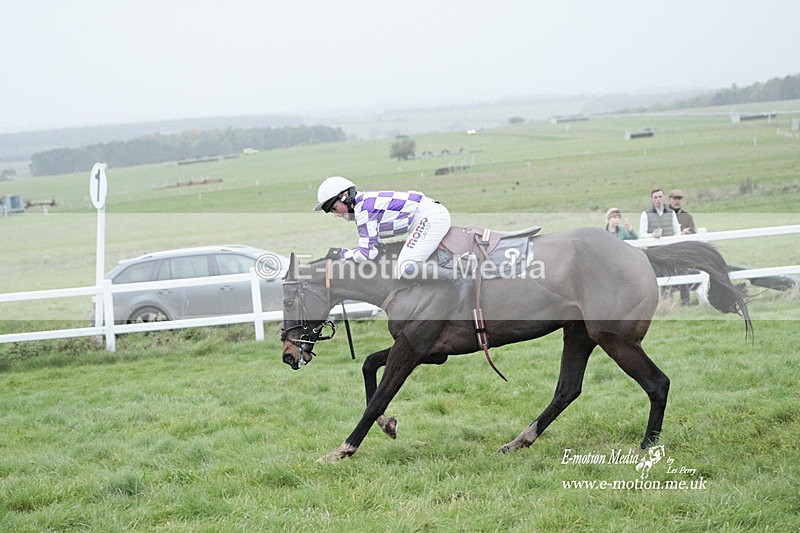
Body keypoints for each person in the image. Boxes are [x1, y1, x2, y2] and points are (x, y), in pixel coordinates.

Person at [314, 176, 471, 303]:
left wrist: (341, 254)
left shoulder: (363, 211)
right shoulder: (363, 204)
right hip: (428, 214)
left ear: (346, 196)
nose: (336, 214)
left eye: (334, 208)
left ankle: (459, 277)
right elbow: (375, 250)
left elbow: (366, 255)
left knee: (404, 267)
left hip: (430, 218)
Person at [668, 189, 697, 305]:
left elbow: (693, 232)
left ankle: (685, 302)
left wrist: (688, 233)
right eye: (674, 199)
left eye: (679, 199)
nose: (677, 201)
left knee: (684, 275)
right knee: (667, 277)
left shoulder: (687, 216)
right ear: (670, 200)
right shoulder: (665, 214)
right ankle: (667, 303)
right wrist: (680, 232)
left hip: (682, 252)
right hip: (669, 250)